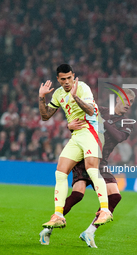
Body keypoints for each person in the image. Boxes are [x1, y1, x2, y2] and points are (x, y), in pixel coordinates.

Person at [40, 88, 136, 247]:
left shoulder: (127, 121)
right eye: (126, 100)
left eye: (131, 102)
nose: (128, 104)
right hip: (85, 156)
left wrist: (101, 120)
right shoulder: (98, 110)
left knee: (115, 196)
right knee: (78, 194)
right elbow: (77, 121)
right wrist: (69, 125)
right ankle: (49, 228)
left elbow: (119, 137)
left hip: (101, 161)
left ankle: (89, 231)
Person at [38, 64, 112, 229]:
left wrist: (75, 97)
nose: (66, 82)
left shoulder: (82, 88)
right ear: (58, 79)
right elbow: (45, 116)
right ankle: (58, 215)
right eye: (63, 79)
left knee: (92, 169)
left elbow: (91, 111)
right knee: (60, 172)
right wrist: (42, 97)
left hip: (92, 131)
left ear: (73, 76)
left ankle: (105, 210)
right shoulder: (57, 94)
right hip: (77, 136)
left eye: (69, 78)